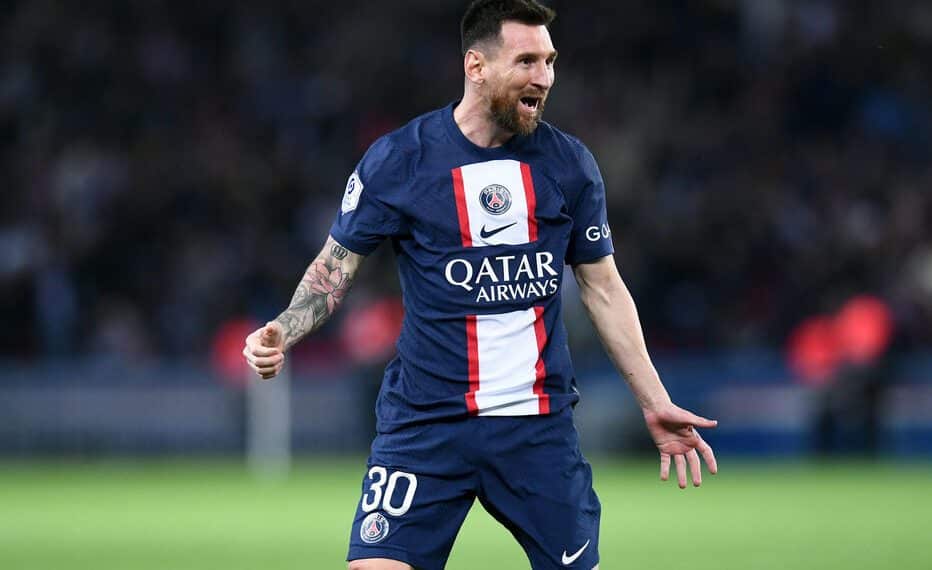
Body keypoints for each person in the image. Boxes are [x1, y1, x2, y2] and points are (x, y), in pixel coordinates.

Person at [242, 1, 718, 568]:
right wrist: (284, 330)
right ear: (476, 67)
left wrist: (654, 399)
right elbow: (333, 268)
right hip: (425, 425)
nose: (543, 77)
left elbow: (604, 289)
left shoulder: (569, 166)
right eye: (526, 61)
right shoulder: (400, 161)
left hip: (535, 431)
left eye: (549, 61)